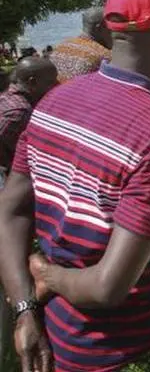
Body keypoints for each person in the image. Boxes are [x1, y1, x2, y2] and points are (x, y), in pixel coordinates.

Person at [0, 0, 150, 371]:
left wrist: (24, 308)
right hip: (118, 351)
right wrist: (47, 276)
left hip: (55, 333)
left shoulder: (55, 101)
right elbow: (107, 287)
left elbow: (11, 210)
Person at [0, 57, 57, 365]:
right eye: (51, 82)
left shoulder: (6, 100)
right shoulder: (19, 114)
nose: (56, 87)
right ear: (32, 83)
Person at [49, 7, 113, 83]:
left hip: (55, 93)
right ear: (100, 28)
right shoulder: (104, 57)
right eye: (111, 26)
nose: (114, 31)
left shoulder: (59, 48)